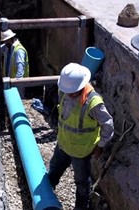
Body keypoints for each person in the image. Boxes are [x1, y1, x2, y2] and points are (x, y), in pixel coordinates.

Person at [48, 63, 114, 210]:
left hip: (81, 152)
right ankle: (46, 197)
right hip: (63, 145)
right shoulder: (64, 90)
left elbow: (108, 125)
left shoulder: (94, 103)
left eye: (73, 91)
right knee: (53, 172)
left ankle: (81, 207)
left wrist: (101, 145)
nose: (69, 94)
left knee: (82, 184)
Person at [0, 29, 29, 97]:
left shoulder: (19, 51)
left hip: (17, 82)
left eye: (6, 41)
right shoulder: (8, 46)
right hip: (9, 80)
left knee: (18, 100)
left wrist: (17, 84)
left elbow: (20, 70)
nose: (5, 43)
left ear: (10, 39)